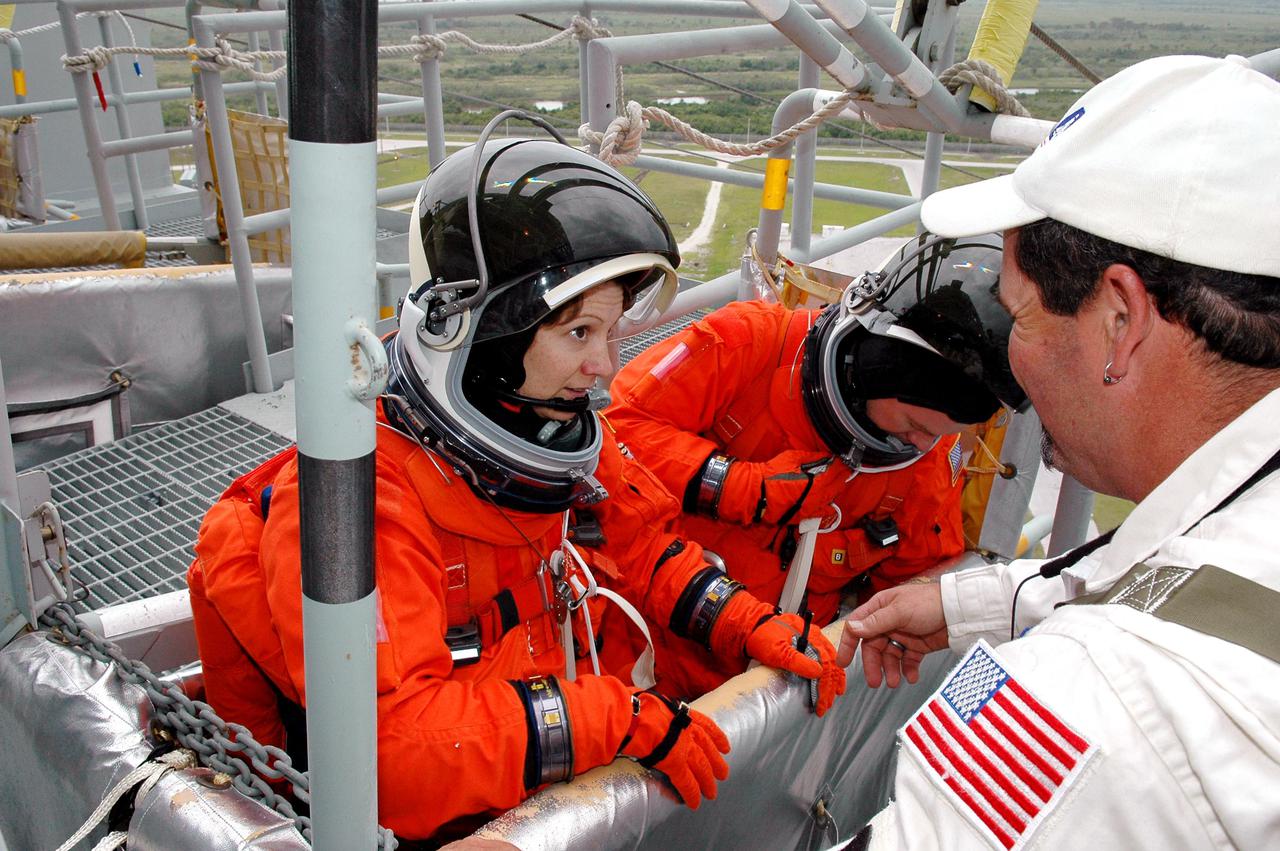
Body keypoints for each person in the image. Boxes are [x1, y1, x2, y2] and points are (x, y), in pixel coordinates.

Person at [186, 131, 846, 841]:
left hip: (546, 760)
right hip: (446, 811)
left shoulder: (559, 435)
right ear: (487, 332)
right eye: (579, 332)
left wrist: (741, 617)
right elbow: (387, 754)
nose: (604, 365)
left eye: (612, 331)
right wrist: (605, 718)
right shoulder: (360, 504)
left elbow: (641, 549)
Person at [840, 55, 1280, 850]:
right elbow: (1182, 587)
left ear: (1120, 318)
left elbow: (1140, 670)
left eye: (1022, 316)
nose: (1014, 361)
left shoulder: (1094, 710)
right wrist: (969, 605)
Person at [604, 234, 1028, 697]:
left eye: (941, 434)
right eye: (913, 422)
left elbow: (911, 591)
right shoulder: (744, 343)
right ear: (876, 370)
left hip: (773, 686)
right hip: (632, 658)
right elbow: (615, 433)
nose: (922, 443)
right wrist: (743, 487)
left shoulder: (923, 468)